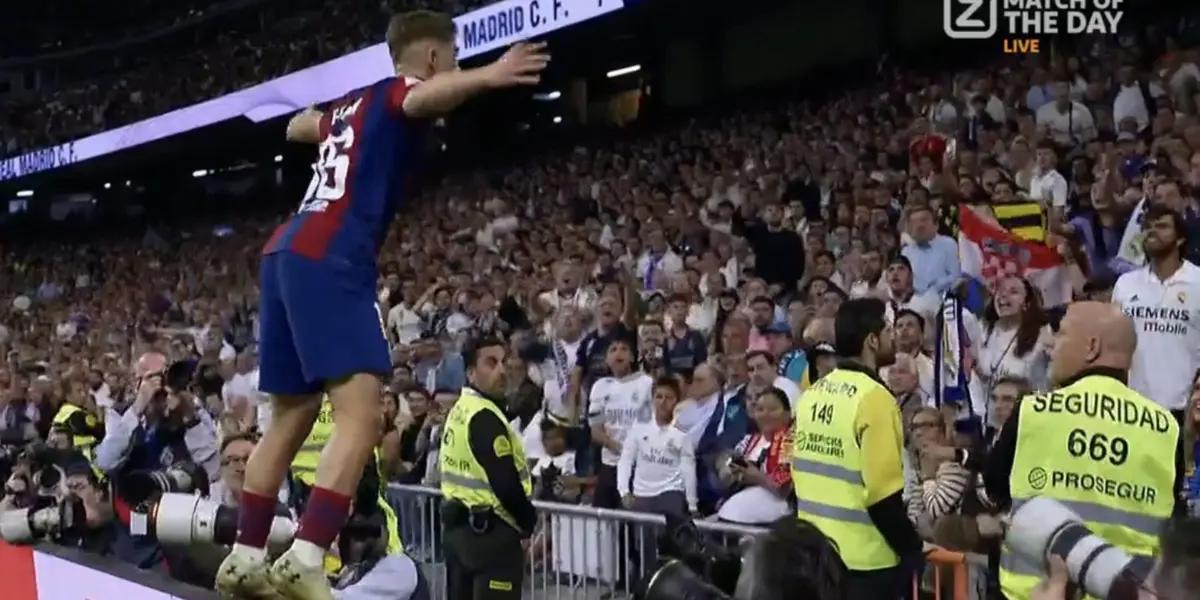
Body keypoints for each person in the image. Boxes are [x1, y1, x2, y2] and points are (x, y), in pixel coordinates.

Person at [216, 11, 550, 599]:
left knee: (290, 418)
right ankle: (307, 555)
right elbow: (423, 100)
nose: (451, 69)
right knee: (364, 415)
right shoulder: (401, 92)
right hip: (330, 256)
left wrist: (312, 123)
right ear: (429, 59)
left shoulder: (351, 107)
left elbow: (299, 124)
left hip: (285, 249)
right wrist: (492, 75)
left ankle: (245, 556)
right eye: (450, 57)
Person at [986, 302, 1181, 600]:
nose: (1051, 344)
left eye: (1061, 334)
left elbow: (995, 485)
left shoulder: (1033, 411)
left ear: (1091, 347)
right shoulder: (1166, 426)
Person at [791, 298, 922, 599]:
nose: (895, 337)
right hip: (866, 563)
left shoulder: (812, 394)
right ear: (872, 341)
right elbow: (882, 498)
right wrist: (913, 550)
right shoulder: (874, 398)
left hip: (817, 558)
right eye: (888, 329)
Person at [438, 336, 535, 600]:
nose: (502, 370)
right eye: (491, 363)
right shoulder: (484, 416)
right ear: (471, 373)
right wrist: (529, 521)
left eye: (504, 362)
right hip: (491, 538)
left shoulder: (460, 409)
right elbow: (505, 483)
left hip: (459, 532)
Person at [1112, 205, 1200, 424]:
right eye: (1148, 226)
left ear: (1180, 239)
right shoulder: (1125, 284)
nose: (1152, 231)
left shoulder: (1198, 282)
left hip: (1183, 410)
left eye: (1161, 226)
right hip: (1132, 409)